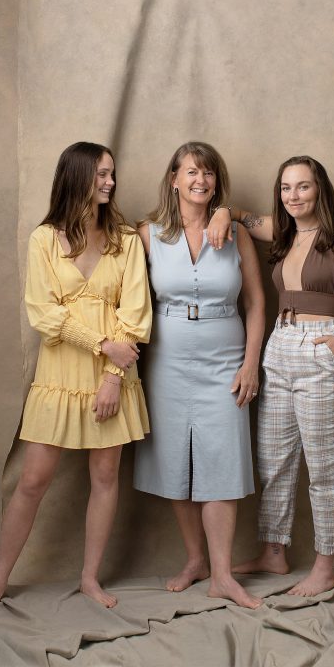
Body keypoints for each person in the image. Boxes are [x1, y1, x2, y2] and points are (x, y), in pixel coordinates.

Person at [0, 142, 152, 616]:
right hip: (59, 375)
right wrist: (100, 343)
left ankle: (89, 578)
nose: (110, 182)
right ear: (77, 177)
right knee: (31, 481)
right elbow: (43, 313)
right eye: (101, 174)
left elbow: (136, 315)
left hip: (114, 376)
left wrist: (113, 372)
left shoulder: (126, 240)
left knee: (105, 475)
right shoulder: (43, 239)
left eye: (112, 174)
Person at [206, 155, 334, 597]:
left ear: (320, 189)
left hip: (324, 348)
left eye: (303, 187)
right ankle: (274, 552)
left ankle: (325, 566)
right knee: (273, 459)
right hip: (280, 346)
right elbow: (239, 216)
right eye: (286, 188)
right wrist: (221, 212)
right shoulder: (282, 231)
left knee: (325, 464)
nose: (293, 196)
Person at [133, 142, 265, 609]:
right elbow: (128, 298)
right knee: (175, 461)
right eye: (191, 172)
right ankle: (196, 560)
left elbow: (254, 302)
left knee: (222, 460)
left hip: (225, 360)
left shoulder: (236, 235)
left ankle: (223, 575)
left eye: (208, 174)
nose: (200, 181)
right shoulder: (147, 234)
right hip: (166, 362)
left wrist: (251, 363)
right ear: (174, 179)